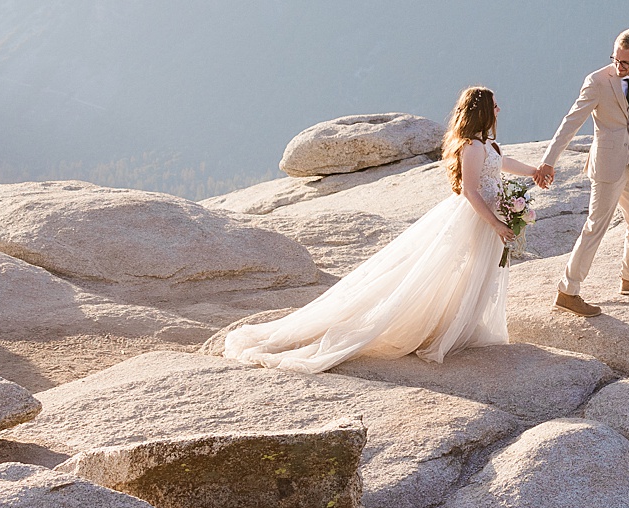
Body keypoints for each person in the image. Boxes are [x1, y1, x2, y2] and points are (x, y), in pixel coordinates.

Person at [222, 86, 539, 373]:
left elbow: (501, 164)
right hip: (475, 217)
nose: (500, 109)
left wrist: (535, 171)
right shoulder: (471, 147)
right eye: (495, 106)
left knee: (477, 273)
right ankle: (439, 329)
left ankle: (462, 326)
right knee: (451, 272)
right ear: (482, 111)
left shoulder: (489, 145)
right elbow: (470, 191)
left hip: (487, 217)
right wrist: (496, 222)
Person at [544, 27, 629, 319]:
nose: (618, 65)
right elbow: (570, 123)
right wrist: (549, 161)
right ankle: (568, 291)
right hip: (605, 167)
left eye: (625, 62)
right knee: (595, 228)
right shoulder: (597, 82)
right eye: (615, 58)